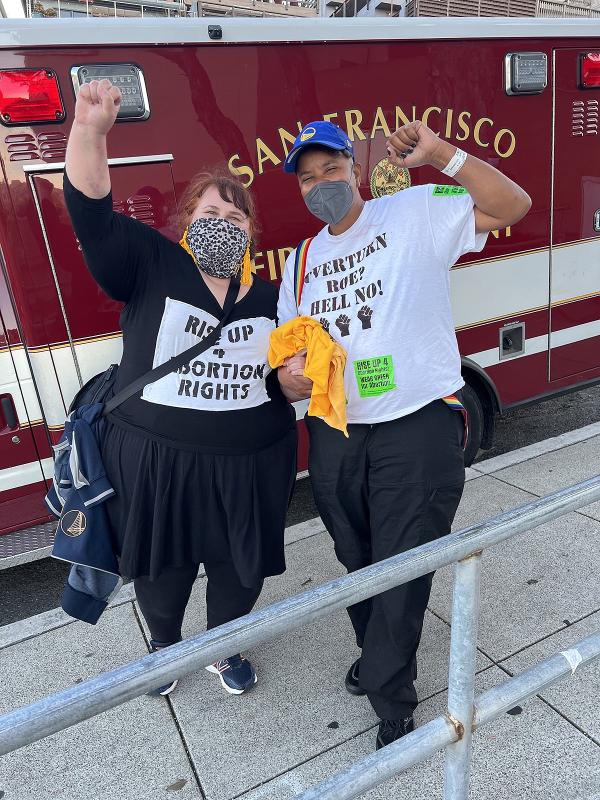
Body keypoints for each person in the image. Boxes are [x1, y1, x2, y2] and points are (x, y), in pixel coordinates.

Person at [277, 120, 531, 749]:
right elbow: (286, 366)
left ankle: (392, 698)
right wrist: (292, 379)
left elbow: (512, 206)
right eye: (307, 179)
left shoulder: (414, 211)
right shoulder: (302, 262)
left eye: (329, 170)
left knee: (403, 564)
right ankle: (379, 654)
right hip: (337, 432)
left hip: (416, 425)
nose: (320, 186)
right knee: (357, 561)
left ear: (353, 169)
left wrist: (443, 154)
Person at [65, 79, 297, 697]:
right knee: (162, 572)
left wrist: (293, 382)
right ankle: (165, 653)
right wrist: (91, 131)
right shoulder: (150, 263)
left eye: (237, 212)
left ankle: (223, 647)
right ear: (186, 222)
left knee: (238, 573)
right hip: (157, 464)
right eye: (210, 211)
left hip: (249, 466)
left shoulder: (274, 297)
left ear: (251, 230)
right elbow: (89, 211)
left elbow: (278, 375)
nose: (225, 220)